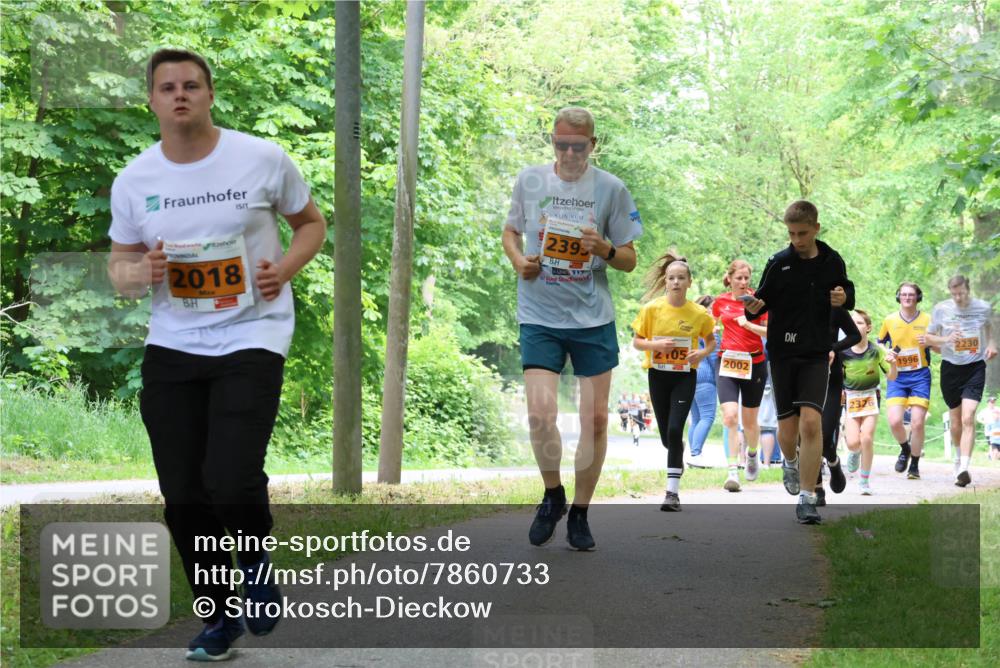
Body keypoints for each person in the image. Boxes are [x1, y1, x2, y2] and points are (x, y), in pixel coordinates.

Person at [107, 49, 327, 661]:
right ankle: (219, 617)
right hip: (173, 343)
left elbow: (311, 223)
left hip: (252, 334)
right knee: (182, 493)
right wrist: (136, 273)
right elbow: (120, 266)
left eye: (191, 85)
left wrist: (284, 268)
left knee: (229, 477)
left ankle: (254, 564)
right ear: (151, 101)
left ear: (209, 95)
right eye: (167, 87)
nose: (179, 95)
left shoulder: (261, 158)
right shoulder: (135, 180)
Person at [503, 106, 642, 550]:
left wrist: (605, 248)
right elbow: (510, 232)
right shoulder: (529, 180)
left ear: (592, 145)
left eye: (577, 147)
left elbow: (630, 259)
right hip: (540, 313)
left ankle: (580, 513)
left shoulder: (611, 189)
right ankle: (552, 495)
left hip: (592, 317)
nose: (567, 154)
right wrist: (518, 261)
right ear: (552, 141)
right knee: (540, 413)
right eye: (560, 144)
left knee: (596, 420)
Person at [744, 200, 854, 524]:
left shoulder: (832, 261)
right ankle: (789, 461)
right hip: (782, 353)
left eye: (802, 233)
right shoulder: (778, 263)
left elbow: (847, 291)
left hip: (816, 352)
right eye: (791, 233)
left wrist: (844, 297)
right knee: (788, 431)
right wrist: (752, 308)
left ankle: (807, 498)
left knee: (811, 423)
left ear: (816, 228)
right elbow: (760, 302)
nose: (797, 239)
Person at [632, 253, 716, 512]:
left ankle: (672, 494)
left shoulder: (699, 313)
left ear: (689, 282)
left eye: (681, 278)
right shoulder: (651, 309)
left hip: (684, 376)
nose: (676, 282)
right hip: (658, 375)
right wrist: (655, 346)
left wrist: (701, 353)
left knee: (675, 429)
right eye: (671, 278)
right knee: (667, 438)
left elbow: (710, 342)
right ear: (666, 282)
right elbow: (637, 342)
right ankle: (676, 453)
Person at [925, 275, 997, 486]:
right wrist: (946, 339)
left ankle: (965, 467)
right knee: (956, 421)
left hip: (975, 367)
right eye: (954, 294)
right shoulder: (941, 309)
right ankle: (958, 458)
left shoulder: (983, 307)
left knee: (968, 417)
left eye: (961, 293)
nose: (958, 297)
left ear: (968, 289)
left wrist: (992, 344)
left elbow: (990, 329)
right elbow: (928, 338)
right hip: (950, 369)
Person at [712, 260, 769, 491]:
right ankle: (732, 471)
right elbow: (709, 323)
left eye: (746, 278)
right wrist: (711, 330)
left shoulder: (759, 302)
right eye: (739, 278)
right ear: (730, 278)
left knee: (749, 421)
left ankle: (752, 454)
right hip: (727, 362)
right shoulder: (720, 302)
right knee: (730, 416)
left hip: (754, 363)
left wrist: (749, 325)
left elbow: (770, 332)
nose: (743, 282)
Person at [878, 282, 932, 479]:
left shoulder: (927, 319)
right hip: (897, 375)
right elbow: (879, 342)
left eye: (911, 294)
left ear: (918, 297)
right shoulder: (890, 320)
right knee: (894, 421)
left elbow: (936, 343)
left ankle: (914, 466)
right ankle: (905, 449)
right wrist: (887, 352)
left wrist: (930, 340)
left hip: (920, 375)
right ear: (898, 297)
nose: (907, 298)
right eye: (904, 294)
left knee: (917, 423)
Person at [841, 310, 898, 495]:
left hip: (871, 398)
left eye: (859, 323)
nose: (855, 326)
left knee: (866, 438)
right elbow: (837, 377)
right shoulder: (843, 351)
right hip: (851, 398)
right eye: (852, 323)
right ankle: (855, 452)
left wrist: (894, 363)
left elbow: (892, 376)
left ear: (868, 328)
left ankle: (864, 481)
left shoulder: (876, 350)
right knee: (852, 442)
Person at [815, 306, 861, 505]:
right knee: (807, 433)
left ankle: (833, 461)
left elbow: (854, 335)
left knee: (824, 435)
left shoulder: (834, 306)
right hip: (802, 374)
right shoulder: (797, 303)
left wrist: (834, 348)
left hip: (831, 378)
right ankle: (816, 487)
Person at [687, 295, 719, 468]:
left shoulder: (691, 326)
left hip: (691, 376)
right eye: (713, 309)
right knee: (707, 417)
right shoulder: (710, 329)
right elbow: (714, 359)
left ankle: (694, 456)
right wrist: (721, 381)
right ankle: (696, 454)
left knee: (696, 418)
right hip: (705, 378)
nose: (716, 313)